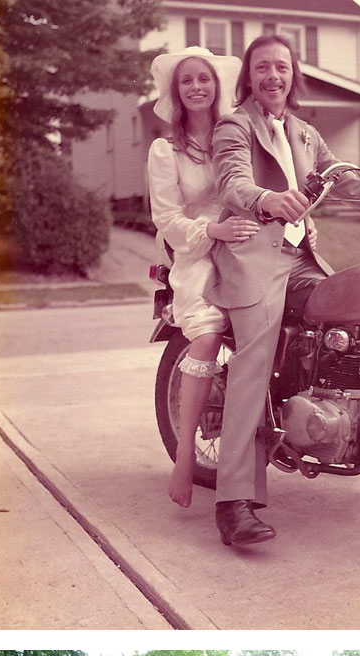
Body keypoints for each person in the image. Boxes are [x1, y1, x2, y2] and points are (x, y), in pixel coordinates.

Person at [205, 33, 360, 548]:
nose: (273, 76)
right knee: (254, 361)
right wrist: (268, 200)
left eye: (282, 67)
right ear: (249, 76)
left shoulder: (304, 134)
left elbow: (353, 184)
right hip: (254, 259)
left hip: (300, 260)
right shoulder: (235, 125)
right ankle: (234, 501)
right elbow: (231, 181)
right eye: (262, 67)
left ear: (294, 76)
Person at [148, 46, 257, 508]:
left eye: (204, 78)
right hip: (198, 249)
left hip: (248, 239)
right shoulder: (165, 150)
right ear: (176, 92)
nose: (197, 87)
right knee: (209, 334)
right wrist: (213, 231)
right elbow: (167, 218)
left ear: (217, 85)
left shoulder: (237, 134)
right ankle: (185, 455)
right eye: (187, 80)